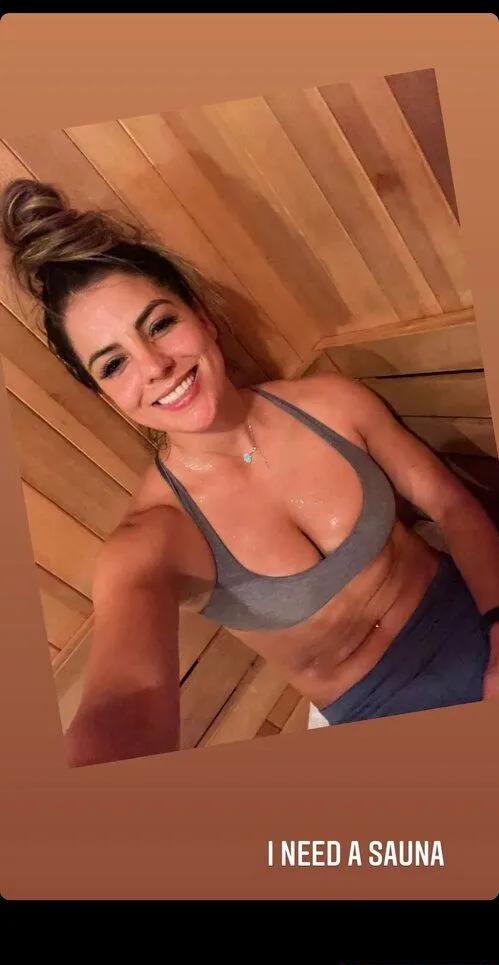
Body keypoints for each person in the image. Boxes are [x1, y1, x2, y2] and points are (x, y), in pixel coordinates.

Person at [2, 178, 499, 769]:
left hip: (480, 610)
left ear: (203, 318)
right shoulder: (153, 540)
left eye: (159, 325)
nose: (155, 366)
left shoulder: (331, 404)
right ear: (105, 395)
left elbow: (450, 505)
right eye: (113, 365)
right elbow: (122, 710)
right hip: (382, 710)